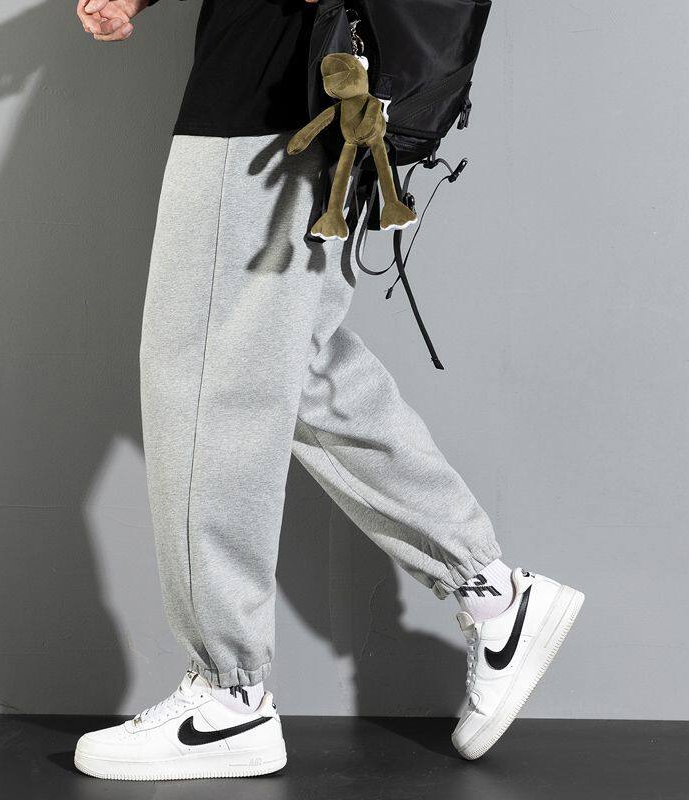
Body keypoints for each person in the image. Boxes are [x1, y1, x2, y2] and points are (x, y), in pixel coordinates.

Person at [72, 0, 584, 780]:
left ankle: (229, 698)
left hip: (270, 92)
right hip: (313, 90)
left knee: (209, 376)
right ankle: (492, 595)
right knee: (296, 365)